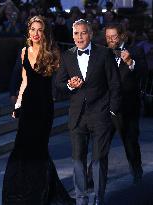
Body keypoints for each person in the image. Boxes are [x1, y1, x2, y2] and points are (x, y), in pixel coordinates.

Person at [2, 15, 75, 205]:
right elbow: (25, 81)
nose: (35, 33)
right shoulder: (24, 51)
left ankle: (40, 192)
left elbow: (59, 82)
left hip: (44, 108)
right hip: (27, 106)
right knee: (21, 149)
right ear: (28, 31)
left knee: (39, 150)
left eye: (39, 29)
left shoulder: (52, 52)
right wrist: (17, 104)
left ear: (44, 32)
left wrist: (70, 85)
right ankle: (19, 190)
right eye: (32, 29)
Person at [56, 19, 121, 205]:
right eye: (76, 33)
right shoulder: (67, 56)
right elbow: (58, 83)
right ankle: (81, 200)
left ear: (90, 35)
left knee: (99, 159)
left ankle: (98, 199)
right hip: (77, 116)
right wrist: (69, 85)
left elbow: (115, 84)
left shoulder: (104, 54)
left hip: (101, 114)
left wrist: (113, 111)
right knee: (78, 159)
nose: (79, 37)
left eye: (83, 33)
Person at [104, 23, 147, 184]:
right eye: (107, 37)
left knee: (130, 143)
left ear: (122, 36)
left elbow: (143, 72)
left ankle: (137, 173)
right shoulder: (103, 52)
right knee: (102, 144)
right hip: (107, 107)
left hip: (128, 107)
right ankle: (92, 177)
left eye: (113, 37)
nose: (110, 40)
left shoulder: (135, 51)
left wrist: (130, 63)